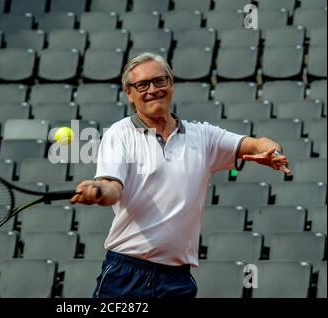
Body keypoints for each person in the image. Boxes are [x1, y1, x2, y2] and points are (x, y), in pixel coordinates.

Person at [70, 52, 291, 298]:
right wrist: (98, 191)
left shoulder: (203, 136)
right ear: (129, 94)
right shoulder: (119, 134)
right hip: (126, 274)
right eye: (142, 85)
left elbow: (257, 144)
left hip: (177, 279)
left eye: (159, 81)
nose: (152, 90)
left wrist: (272, 151)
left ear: (171, 84)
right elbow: (112, 187)